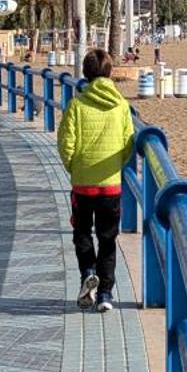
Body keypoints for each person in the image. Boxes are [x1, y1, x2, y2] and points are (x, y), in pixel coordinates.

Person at [56, 49, 135, 312]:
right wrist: (115, 167)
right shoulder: (122, 105)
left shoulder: (77, 105)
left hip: (82, 184)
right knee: (108, 239)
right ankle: (105, 294)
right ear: (109, 72)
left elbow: (66, 143)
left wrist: (74, 168)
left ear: (86, 73)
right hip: (110, 184)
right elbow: (128, 144)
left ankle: (88, 271)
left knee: (81, 233)